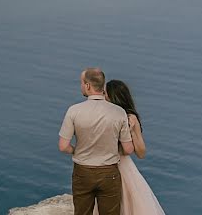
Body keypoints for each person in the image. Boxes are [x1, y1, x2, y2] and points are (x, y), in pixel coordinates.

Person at [58, 68, 134, 215]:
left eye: (81, 83)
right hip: (109, 173)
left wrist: (75, 150)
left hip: (83, 172)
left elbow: (63, 146)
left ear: (87, 86)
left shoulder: (74, 110)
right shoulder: (119, 112)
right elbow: (129, 149)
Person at [101, 80, 166, 214]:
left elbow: (141, 153)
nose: (102, 96)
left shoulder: (131, 118)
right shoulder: (102, 115)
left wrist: (131, 132)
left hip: (122, 169)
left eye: (105, 93)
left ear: (113, 97)